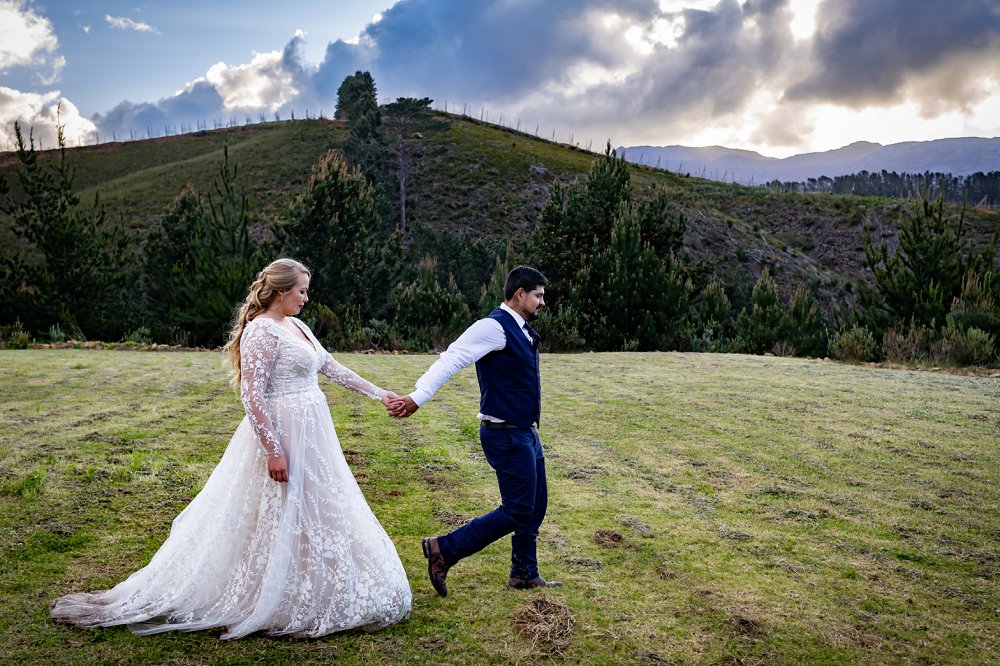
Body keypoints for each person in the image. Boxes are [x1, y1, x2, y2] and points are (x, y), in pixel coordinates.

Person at [51, 258, 412, 639]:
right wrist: (273, 449)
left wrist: (380, 394)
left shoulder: (297, 326)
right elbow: (251, 395)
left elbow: (331, 367)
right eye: (302, 291)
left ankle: (307, 581)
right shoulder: (261, 332)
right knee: (274, 508)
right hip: (282, 430)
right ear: (280, 291)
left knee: (315, 503)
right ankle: (267, 592)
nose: (306, 298)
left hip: (313, 432)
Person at [390, 266, 561, 596]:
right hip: (504, 433)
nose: (542, 302)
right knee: (517, 509)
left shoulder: (519, 328)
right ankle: (445, 549)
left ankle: (524, 572)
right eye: (538, 295)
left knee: (535, 505)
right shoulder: (494, 327)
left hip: (524, 431)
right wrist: (418, 396)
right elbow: (452, 358)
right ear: (519, 294)